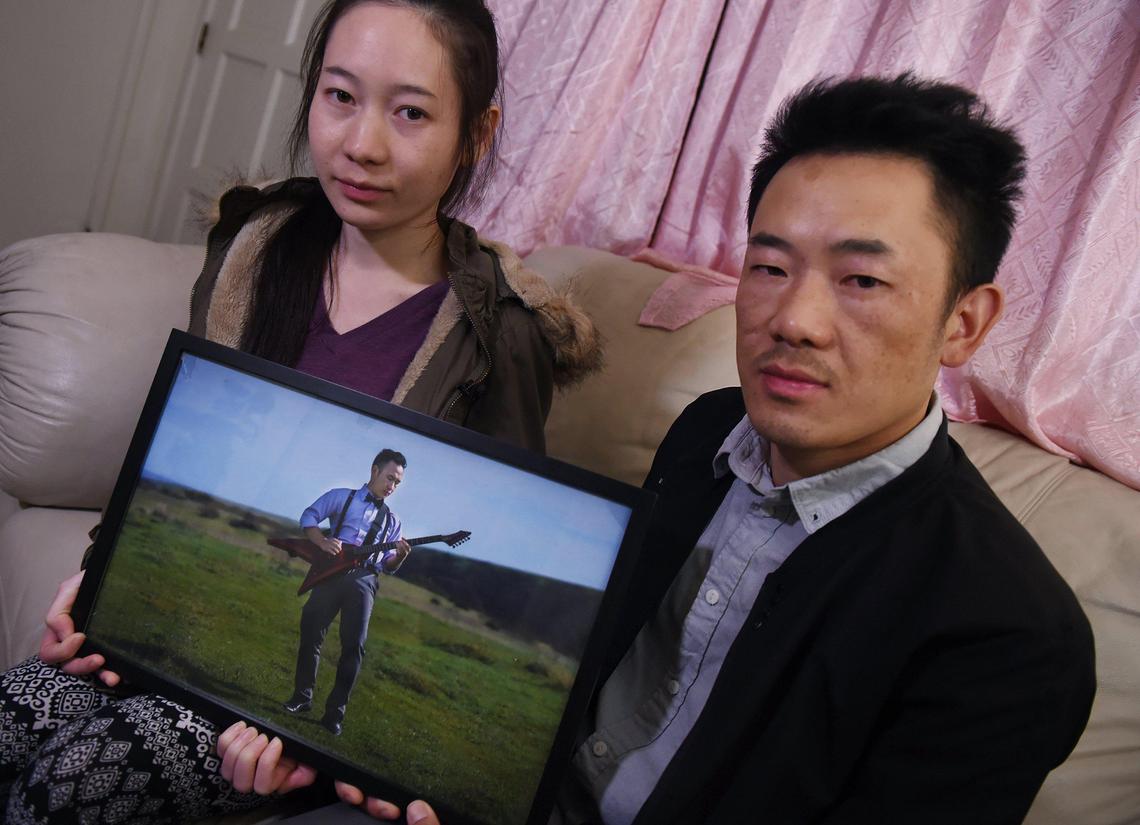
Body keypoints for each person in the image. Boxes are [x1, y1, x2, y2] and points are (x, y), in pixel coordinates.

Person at [258, 74, 1096, 824]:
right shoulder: (708, 432)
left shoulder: (1010, 636)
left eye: (862, 280)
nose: (794, 320)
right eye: (770, 267)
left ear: (964, 323)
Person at [0, 0, 599, 821]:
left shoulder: (502, 333)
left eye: (411, 112)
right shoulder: (252, 248)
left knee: (64, 787)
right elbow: (166, 449)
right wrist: (92, 585)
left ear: (476, 133)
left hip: (267, 714)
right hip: (160, 623)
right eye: (340, 96)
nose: (362, 144)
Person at [284, 450, 412, 736]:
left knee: (354, 647)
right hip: (330, 574)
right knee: (311, 633)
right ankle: (301, 698)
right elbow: (309, 516)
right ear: (374, 471)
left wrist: (401, 557)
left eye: (397, 482)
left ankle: (334, 716)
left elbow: (388, 566)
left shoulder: (393, 522)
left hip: (365, 581)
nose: (392, 486)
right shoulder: (341, 497)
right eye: (389, 478)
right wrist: (322, 541)